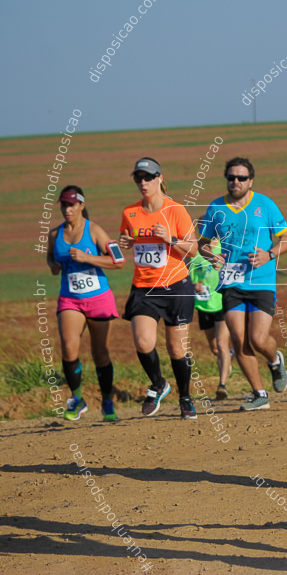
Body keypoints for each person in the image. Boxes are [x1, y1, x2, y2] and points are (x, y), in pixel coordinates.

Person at [198, 157, 287, 411]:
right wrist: (211, 255)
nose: (235, 182)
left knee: (258, 339)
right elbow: (202, 243)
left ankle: (274, 361)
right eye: (231, 178)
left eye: (241, 178)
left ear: (250, 180)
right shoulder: (216, 207)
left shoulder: (265, 204)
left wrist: (269, 255)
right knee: (239, 341)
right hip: (231, 283)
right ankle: (259, 394)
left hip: (261, 282)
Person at [117, 157, 199, 419]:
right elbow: (130, 240)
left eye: (148, 178)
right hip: (144, 287)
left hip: (176, 286)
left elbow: (194, 250)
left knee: (177, 349)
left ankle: (185, 398)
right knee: (143, 342)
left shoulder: (175, 210)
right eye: (138, 178)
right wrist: (126, 243)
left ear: (160, 179)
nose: (143, 183)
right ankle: (159, 384)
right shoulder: (129, 212)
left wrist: (170, 239)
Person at [47, 186, 122, 421]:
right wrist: (53, 265)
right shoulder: (54, 234)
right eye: (63, 205)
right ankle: (77, 398)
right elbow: (51, 255)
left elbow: (118, 261)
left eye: (71, 205)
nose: (67, 209)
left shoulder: (95, 230)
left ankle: (107, 401)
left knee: (100, 353)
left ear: (81, 205)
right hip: (70, 298)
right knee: (69, 347)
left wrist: (87, 257)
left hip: (98, 298)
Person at [189, 238, 232, 401]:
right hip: (204, 304)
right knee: (215, 348)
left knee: (221, 344)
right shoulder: (196, 252)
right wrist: (195, 284)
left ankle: (222, 385)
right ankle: (230, 355)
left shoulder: (224, 248)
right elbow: (192, 275)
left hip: (222, 302)